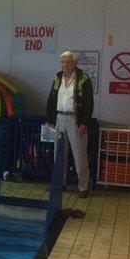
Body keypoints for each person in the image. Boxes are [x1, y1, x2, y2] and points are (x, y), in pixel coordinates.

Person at [45, 50, 94, 198]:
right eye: (63, 62)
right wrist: (48, 119)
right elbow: (51, 99)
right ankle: (61, 184)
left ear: (75, 63)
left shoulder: (83, 78)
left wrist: (84, 122)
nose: (65, 64)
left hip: (75, 120)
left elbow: (88, 103)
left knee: (79, 156)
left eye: (68, 62)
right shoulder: (58, 77)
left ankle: (83, 187)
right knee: (59, 154)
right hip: (60, 118)